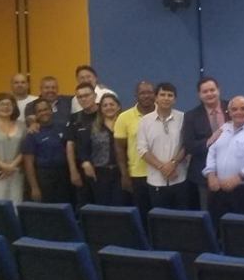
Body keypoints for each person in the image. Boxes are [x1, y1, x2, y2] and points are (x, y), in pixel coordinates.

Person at [203, 95, 244, 225]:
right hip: (219, 189)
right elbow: (212, 150)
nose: (239, 112)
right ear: (229, 112)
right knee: (218, 228)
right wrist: (210, 174)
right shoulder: (224, 128)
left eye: (243, 109)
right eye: (234, 109)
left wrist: (239, 177)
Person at [137, 82, 189, 209]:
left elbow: (186, 145)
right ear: (156, 98)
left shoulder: (183, 118)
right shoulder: (145, 121)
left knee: (181, 218)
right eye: (162, 95)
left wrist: (173, 164)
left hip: (179, 178)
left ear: (175, 99)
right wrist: (162, 167)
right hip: (156, 180)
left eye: (170, 95)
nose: (166, 98)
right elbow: (142, 149)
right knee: (160, 218)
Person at [182, 77, 229, 210]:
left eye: (212, 90)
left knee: (234, 215)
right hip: (204, 176)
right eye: (205, 91)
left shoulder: (233, 108)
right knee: (208, 213)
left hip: (232, 173)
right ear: (199, 95)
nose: (209, 94)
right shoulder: (191, 116)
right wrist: (210, 141)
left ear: (218, 90)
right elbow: (189, 145)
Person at [114, 80, 156, 221]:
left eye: (149, 92)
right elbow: (119, 149)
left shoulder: (164, 113)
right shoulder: (124, 117)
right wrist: (124, 175)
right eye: (142, 93)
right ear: (136, 95)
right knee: (142, 215)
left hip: (161, 174)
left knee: (160, 215)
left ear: (155, 94)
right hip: (137, 175)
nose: (146, 96)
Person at [21, 98, 70, 204]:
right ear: (35, 115)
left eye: (46, 109)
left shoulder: (62, 127)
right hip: (43, 177)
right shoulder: (32, 133)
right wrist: (34, 187)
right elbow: (28, 164)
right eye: (40, 111)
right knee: (48, 209)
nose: (44, 113)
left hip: (64, 175)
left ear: (51, 110)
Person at [81, 92, 123, 206]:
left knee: (121, 207)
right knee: (103, 207)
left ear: (118, 106)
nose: (109, 107)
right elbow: (83, 149)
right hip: (100, 174)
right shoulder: (92, 127)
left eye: (112, 104)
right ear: (100, 109)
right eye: (105, 105)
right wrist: (85, 162)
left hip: (122, 173)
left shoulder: (125, 125)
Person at [65, 82, 99, 210]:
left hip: (104, 170)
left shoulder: (105, 113)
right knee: (84, 208)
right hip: (82, 171)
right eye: (80, 97)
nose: (83, 99)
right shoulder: (75, 119)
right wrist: (73, 171)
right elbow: (70, 145)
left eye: (87, 95)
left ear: (95, 95)